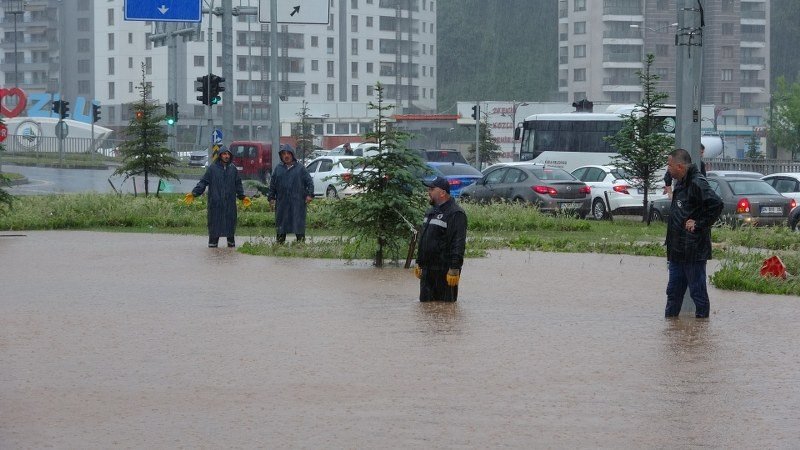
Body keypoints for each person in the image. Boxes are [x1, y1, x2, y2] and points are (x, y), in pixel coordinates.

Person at [664, 148, 723, 318]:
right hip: (676, 252)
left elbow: (716, 204)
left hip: (693, 251)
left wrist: (699, 223)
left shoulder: (697, 182)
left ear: (680, 167)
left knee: (698, 293)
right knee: (673, 293)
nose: (668, 168)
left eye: (670, 165)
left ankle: (701, 333)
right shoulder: (681, 181)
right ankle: (671, 334)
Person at [413, 177, 468, 302]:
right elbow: (424, 240)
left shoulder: (456, 213)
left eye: (432, 189)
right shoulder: (430, 212)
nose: (428, 192)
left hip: (444, 273)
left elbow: (458, 244)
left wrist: (454, 268)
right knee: (426, 312)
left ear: (442, 193)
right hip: (427, 273)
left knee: (446, 312)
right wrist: (419, 262)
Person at [185, 146, 251, 248]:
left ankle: (231, 252)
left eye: (228, 154)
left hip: (229, 205)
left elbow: (238, 184)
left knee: (230, 230)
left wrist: (242, 197)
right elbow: (203, 182)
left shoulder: (233, 169)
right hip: (215, 205)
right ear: (220, 155)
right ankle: (213, 251)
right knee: (214, 230)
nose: (226, 156)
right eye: (224, 154)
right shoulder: (212, 169)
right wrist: (194, 193)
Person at [268, 146, 314, 243]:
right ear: (281, 156)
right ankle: (279, 248)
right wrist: (271, 197)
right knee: (281, 225)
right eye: (284, 154)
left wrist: (310, 195)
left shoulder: (300, 168)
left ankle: (300, 246)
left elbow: (309, 182)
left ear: (292, 155)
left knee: (298, 225)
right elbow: (272, 184)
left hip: (298, 202)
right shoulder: (278, 169)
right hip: (282, 202)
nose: (286, 156)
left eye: (288, 153)